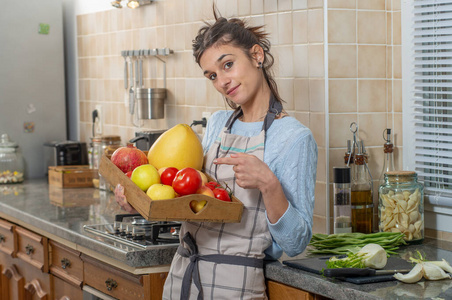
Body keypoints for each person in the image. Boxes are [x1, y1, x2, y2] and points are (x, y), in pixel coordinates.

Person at [115, 11, 317, 300]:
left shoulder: (294, 138)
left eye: (228, 65)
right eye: (212, 75)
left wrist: (270, 185)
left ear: (256, 55)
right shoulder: (217, 125)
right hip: (182, 277)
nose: (222, 81)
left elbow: (296, 242)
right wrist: (141, 201)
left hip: (236, 286)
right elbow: (186, 200)